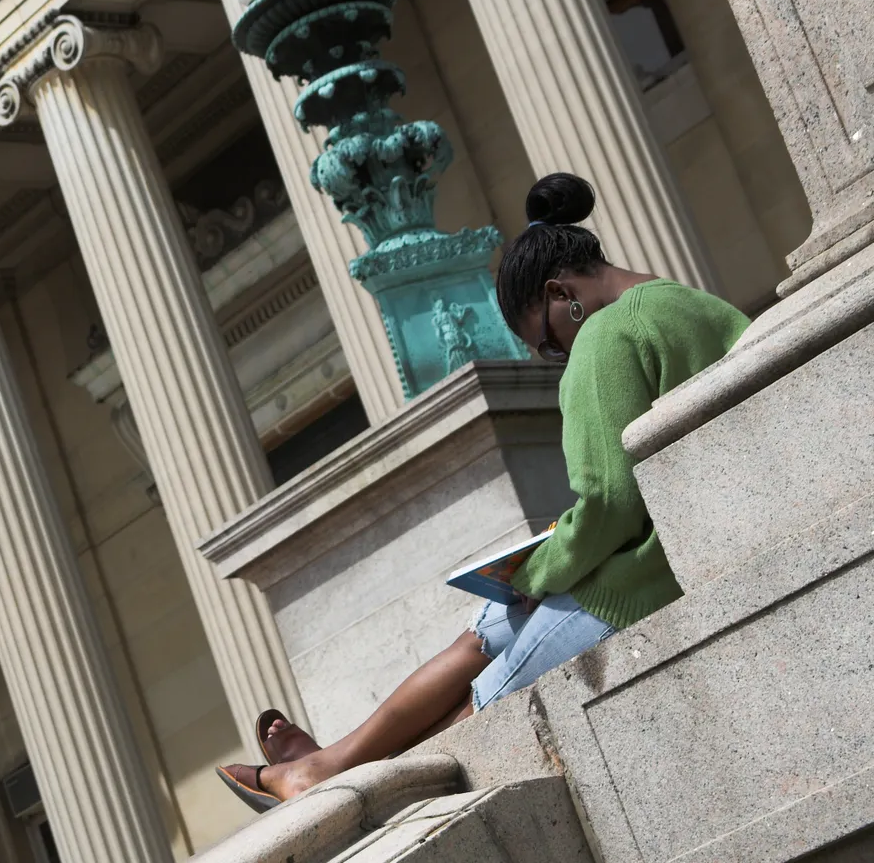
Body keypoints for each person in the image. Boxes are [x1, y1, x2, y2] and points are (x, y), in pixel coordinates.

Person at [218, 172, 750, 812]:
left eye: (548, 345)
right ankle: (329, 763)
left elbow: (608, 502)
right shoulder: (698, 304)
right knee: (487, 628)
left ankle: (338, 786)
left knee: (487, 695)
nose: (559, 356)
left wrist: (539, 569)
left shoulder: (604, 338)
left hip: (640, 578)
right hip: (678, 539)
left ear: (562, 295)